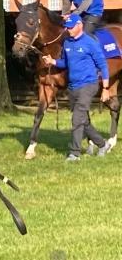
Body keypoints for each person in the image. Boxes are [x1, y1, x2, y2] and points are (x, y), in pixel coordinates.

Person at [42, 13, 112, 161]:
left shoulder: (90, 43)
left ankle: (74, 153)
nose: (69, 30)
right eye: (67, 28)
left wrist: (106, 89)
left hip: (89, 84)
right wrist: (52, 62)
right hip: (73, 87)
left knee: (77, 118)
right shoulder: (67, 42)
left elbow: (103, 66)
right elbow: (65, 63)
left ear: (80, 25)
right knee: (83, 121)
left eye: (71, 27)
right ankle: (102, 144)